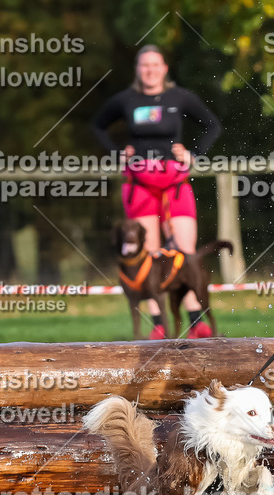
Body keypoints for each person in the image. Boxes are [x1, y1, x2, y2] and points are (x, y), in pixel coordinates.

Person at [93, 44, 222, 339]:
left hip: (174, 183)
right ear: (137, 70)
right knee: (148, 255)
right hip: (140, 183)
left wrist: (194, 153)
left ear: (165, 68)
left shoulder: (180, 97)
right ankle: (160, 326)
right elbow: (99, 127)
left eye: (155, 65)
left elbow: (212, 125)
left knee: (184, 253)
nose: (150, 70)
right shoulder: (126, 100)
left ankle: (196, 322)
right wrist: (117, 153)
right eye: (144, 65)